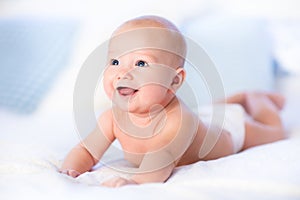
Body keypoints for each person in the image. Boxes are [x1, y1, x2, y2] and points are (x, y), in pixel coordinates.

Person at [60, 15, 286, 187]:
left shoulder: (178, 122)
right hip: (204, 117)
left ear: (174, 81)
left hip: (228, 131)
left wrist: (134, 184)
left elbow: (160, 161)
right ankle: (234, 100)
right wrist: (71, 170)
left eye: (140, 64)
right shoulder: (111, 118)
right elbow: (87, 151)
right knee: (211, 111)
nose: (122, 72)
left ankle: (256, 99)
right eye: (115, 61)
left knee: (274, 131)